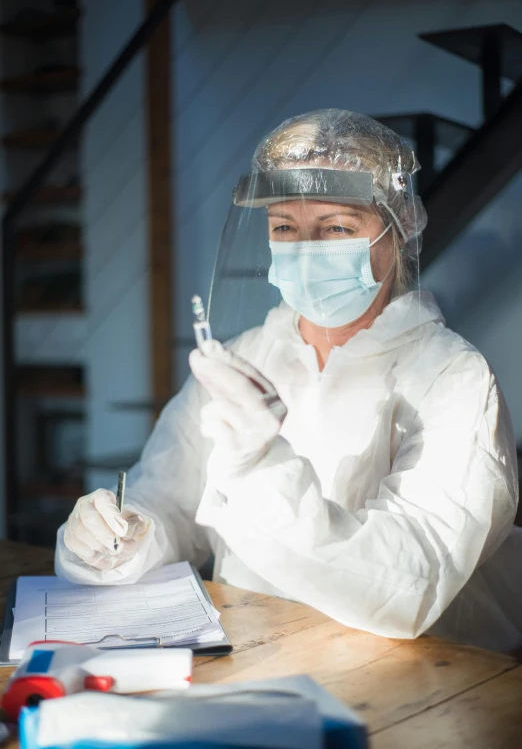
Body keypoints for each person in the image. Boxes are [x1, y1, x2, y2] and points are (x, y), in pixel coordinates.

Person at [56, 109, 521, 654]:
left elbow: (409, 585)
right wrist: (118, 537)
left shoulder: (454, 380)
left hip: (424, 684)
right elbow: (169, 500)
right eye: (285, 228)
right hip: (256, 656)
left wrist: (261, 468)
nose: (307, 250)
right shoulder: (245, 358)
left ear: (398, 229)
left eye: (338, 227)